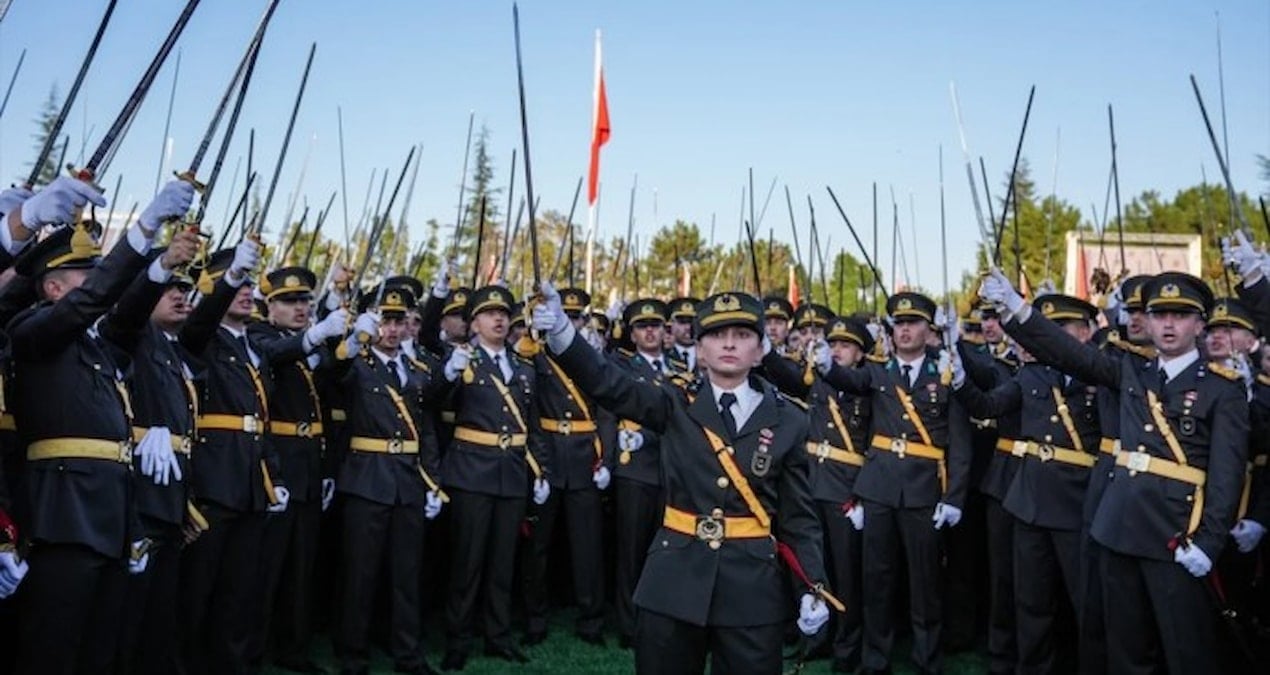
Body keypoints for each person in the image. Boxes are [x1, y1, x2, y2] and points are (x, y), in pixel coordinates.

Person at [534, 285, 835, 675]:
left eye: (742, 335)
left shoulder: (790, 420)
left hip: (751, 586)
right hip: (674, 578)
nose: (729, 344)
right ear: (700, 348)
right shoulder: (674, 401)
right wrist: (561, 331)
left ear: (761, 350)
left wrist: (814, 585)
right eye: (716, 334)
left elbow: (799, 517)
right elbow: (608, 382)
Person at [981, 269, 1248, 673]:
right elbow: (1067, 351)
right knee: (1126, 650)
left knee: (1186, 650)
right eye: (1159, 315)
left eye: (1179, 315)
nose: (1168, 324)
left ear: (1200, 324)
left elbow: (1227, 475)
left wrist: (1209, 542)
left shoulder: (1221, 388)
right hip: (1118, 529)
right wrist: (1018, 308)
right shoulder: (1130, 370)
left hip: (1177, 534)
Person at [5, 177, 194, 673]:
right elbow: (89, 304)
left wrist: (158, 265)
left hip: (110, 515)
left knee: (98, 651)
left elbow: (126, 316)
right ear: (52, 288)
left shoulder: (95, 347)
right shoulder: (33, 332)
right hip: (63, 516)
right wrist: (142, 229)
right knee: (54, 649)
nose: (94, 284)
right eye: (83, 276)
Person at [813, 291, 973, 675]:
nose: (904, 330)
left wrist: (954, 497)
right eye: (898, 324)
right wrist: (824, 366)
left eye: (913, 322)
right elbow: (847, 379)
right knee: (876, 582)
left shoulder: (947, 372)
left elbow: (961, 445)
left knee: (925, 585)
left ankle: (926, 661)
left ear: (927, 329)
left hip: (923, 491)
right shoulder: (877, 371)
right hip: (879, 489)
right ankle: (875, 661)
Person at [953, 294, 1102, 674]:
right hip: (1029, 501)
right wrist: (959, 383)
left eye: (1059, 330)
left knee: (1086, 602)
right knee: (1030, 600)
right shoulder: (1032, 375)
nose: (1046, 339)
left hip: (1078, 502)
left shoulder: (1101, 376)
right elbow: (988, 406)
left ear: (1085, 333)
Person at [178, 238, 289, 675]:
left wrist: (272, 473)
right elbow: (199, 322)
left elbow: (261, 419)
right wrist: (228, 280)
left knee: (240, 589)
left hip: (250, 478)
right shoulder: (202, 336)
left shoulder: (253, 345)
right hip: (213, 476)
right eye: (236, 284)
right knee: (198, 587)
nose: (246, 292)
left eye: (248, 285)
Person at [333, 283, 454, 675]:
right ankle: (353, 654)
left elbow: (427, 430)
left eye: (399, 320)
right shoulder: (357, 363)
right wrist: (351, 339)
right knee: (360, 575)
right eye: (385, 319)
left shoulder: (418, 370)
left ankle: (408, 653)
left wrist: (432, 482)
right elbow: (331, 375)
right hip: (367, 478)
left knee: (407, 575)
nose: (392, 328)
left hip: (408, 481)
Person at [104, 236, 205, 675]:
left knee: (157, 609)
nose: (181, 296)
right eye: (170, 289)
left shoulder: (169, 347)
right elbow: (126, 312)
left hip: (168, 491)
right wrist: (156, 267)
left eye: (185, 289)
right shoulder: (131, 334)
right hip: (138, 492)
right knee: (127, 611)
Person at [439, 284, 550, 671]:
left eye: (504, 314)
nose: (499, 319)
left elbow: (532, 424)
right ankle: (458, 639)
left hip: (512, 474)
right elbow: (433, 405)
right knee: (467, 563)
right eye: (489, 314)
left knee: (503, 563)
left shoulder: (522, 366)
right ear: (474, 323)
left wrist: (541, 470)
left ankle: (497, 636)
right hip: (471, 471)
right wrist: (449, 374)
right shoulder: (463, 361)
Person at [247, 266, 348, 673]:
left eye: (305, 300)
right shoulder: (260, 336)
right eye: (289, 301)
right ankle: (254, 649)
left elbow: (333, 384)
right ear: (269, 307)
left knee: (301, 567)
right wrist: (317, 335)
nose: (300, 307)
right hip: (278, 462)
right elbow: (276, 355)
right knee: (266, 567)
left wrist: (348, 342)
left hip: (309, 462)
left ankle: (294, 647)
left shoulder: (309, 344)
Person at [762, 316, 874, 673]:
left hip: (846, 489)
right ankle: (815, 639)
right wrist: (765, 349)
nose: (837, 350)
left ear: (860, 354)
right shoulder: (818, 379)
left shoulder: (870, 386)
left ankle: (847, 648)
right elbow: (787, 378)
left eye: (845, 345)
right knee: (811, 570)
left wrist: (863, 494)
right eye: (834, 344)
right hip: (812, 483)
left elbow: (877, 444)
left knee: (846, 575)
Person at [520, 287, 613, 648]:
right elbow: (525, 410)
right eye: (566, 316)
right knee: (538, 545)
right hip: (547, 454)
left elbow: (605, 410)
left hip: (584, 456)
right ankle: (535, 617)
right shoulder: (534, 355)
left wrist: (605, 458)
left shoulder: (587, 356)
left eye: (576, 318)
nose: (571, 322)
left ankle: (591, 620)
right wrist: (538, 465)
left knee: (588, 546)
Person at [606, 298, 681, 649]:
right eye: (642, 326)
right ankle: (629, 624)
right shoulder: (621, 365)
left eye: (656, 325)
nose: (650, 331)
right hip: (635, 468)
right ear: (632, 334)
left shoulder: (680, 365)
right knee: (631, 552)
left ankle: (662, 620)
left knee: (667, 553)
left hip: (671, 469)